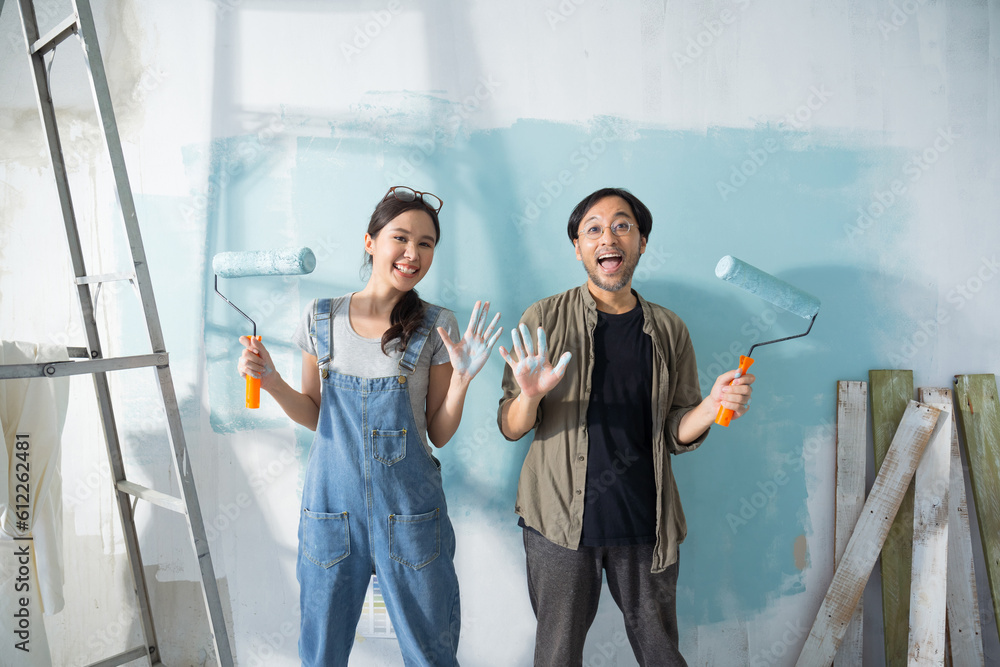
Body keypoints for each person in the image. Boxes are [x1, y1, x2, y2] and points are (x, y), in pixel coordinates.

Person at [238, 186, 502, 666]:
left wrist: (462, 381)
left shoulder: (436, 325)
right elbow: (315, 414)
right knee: (321, 653)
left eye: (426, 244)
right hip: (330, 514)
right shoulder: (321, 318)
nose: (412, 253)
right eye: (400, 238)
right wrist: (271, 380)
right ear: (370, 241)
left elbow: (438, 433)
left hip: (411, 514)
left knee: (431, 653)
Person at [496, 187, 755, 666]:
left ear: (640, 242)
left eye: (622, 225)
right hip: (557, 522)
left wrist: (712, 405)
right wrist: (529, 395)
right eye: (592, 228)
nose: (607, 237)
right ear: (577, 247)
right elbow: (512, 427)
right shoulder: (543, 319)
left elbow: (677, 430)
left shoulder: (669, 328)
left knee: (661, 654)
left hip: (646, 522)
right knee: (557, 656)